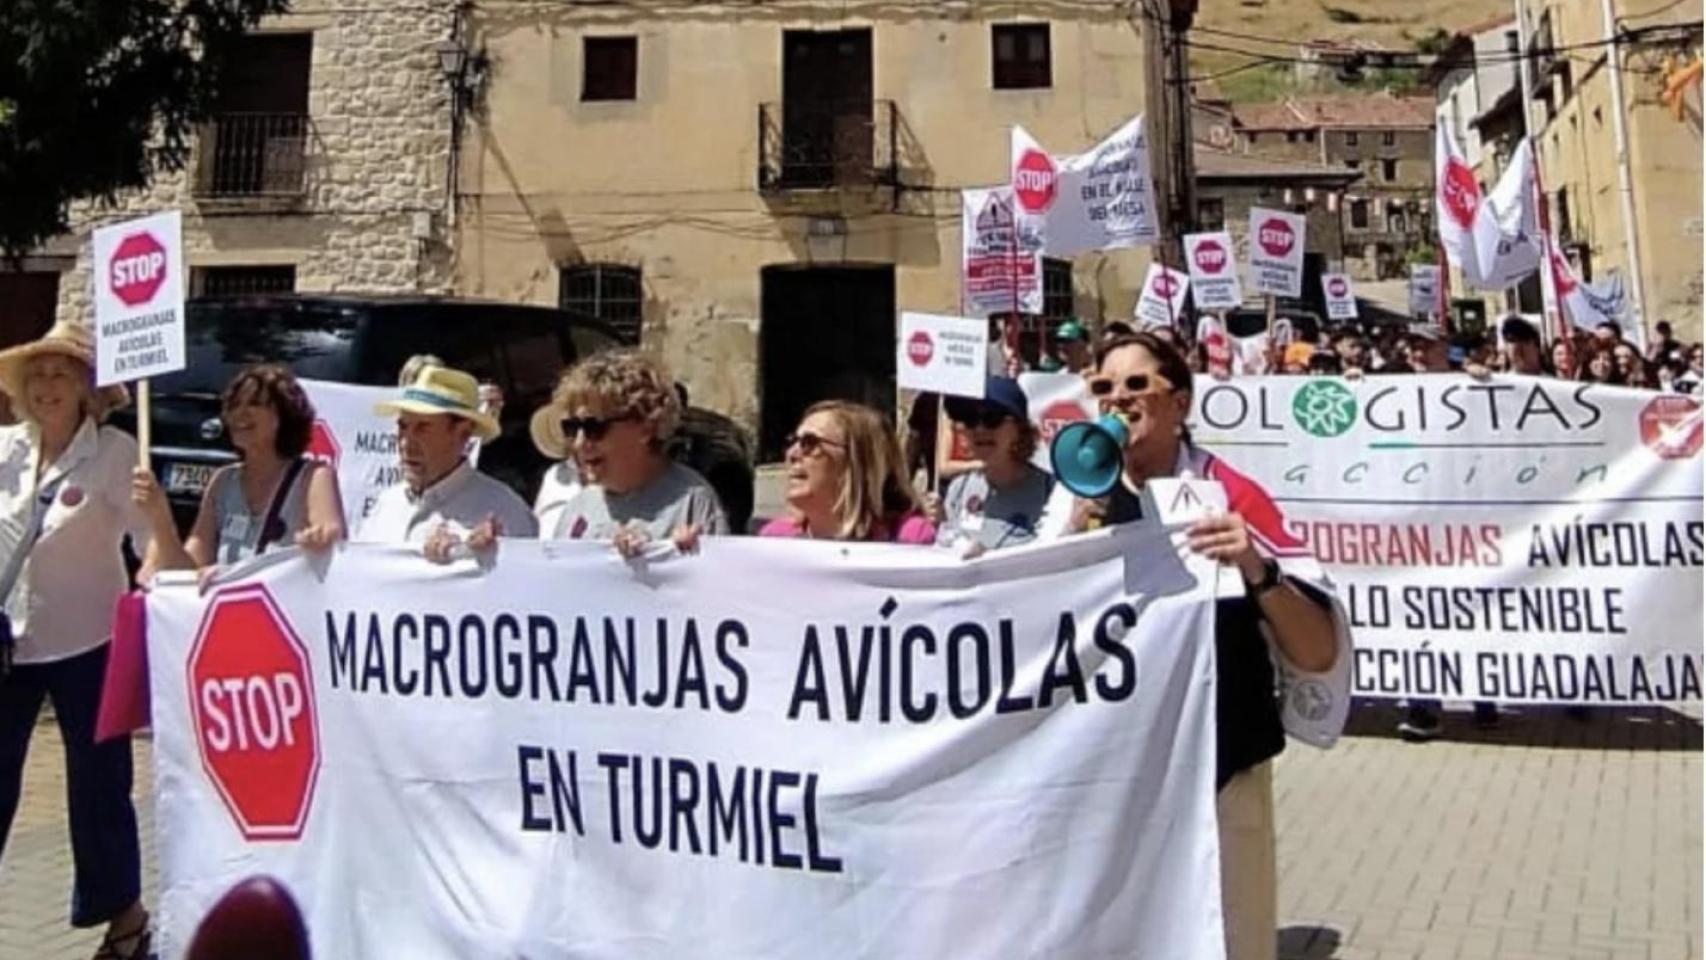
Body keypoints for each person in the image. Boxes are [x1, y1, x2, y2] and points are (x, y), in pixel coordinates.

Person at [1054, 332, 1346, 960]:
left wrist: (1255, 566)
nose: (1119, 401)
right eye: (1104, 388)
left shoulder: (1229, 494)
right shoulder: (1076, 492)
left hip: (1218, 765)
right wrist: (1065, 535)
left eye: (1138, 386)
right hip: (1109, 768)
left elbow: (1318, 650)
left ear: (1179, 402)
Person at [0, 321, 161, 959]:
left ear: (88, 390)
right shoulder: (4, 448)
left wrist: (157, 589)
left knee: (97, 789)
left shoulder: (117, 453)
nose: (47, 385)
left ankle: (124, 919)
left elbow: (149, 547)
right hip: (9, 646)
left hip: (88, 645)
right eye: (37, 373)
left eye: (62, 373)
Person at [134, 365, 343, 581]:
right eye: (234, 405)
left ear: (283, 415)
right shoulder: (223, 481)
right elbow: (187, 572)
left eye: (255, 404)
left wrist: (320, 538)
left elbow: (332, 536)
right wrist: (159, 516)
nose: (239, 413)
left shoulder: (315, 477)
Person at [533, 350, 726, 554]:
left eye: (594, 428)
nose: (580, 443)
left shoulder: (693, 503)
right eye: (572, 428)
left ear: (646, 427)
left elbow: (716, 580)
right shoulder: (578, 509)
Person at [358, 364, 537, 550]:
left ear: (463, 434)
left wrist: (475, 560)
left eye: (422, 428)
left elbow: (527, 574)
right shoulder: (386, 505)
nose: (405, 443)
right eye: (403, 426)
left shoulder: (503, 510)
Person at [761, 400, 935, 543]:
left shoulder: (910, 538)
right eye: (793, 441)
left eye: (810, 443)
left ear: (859, 460)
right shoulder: (775, 538)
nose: (792, 454)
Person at [931, 378, 1054, 553]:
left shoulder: (1050, 493)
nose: (980, 430)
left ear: (1018, 429)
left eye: (992, 418)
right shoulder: (959, 489)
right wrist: (940, 524)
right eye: (970, 419)